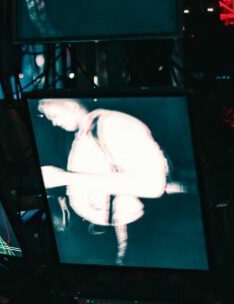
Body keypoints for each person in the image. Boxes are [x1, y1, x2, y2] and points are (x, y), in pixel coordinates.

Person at [37, 99, 171, 265]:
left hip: (125, 234)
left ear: (71, 106)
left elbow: (153, 185)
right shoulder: (86, 131)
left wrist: (64, 177)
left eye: (54, 116)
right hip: (104, 233)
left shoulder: (112, 124)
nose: (53, 123)